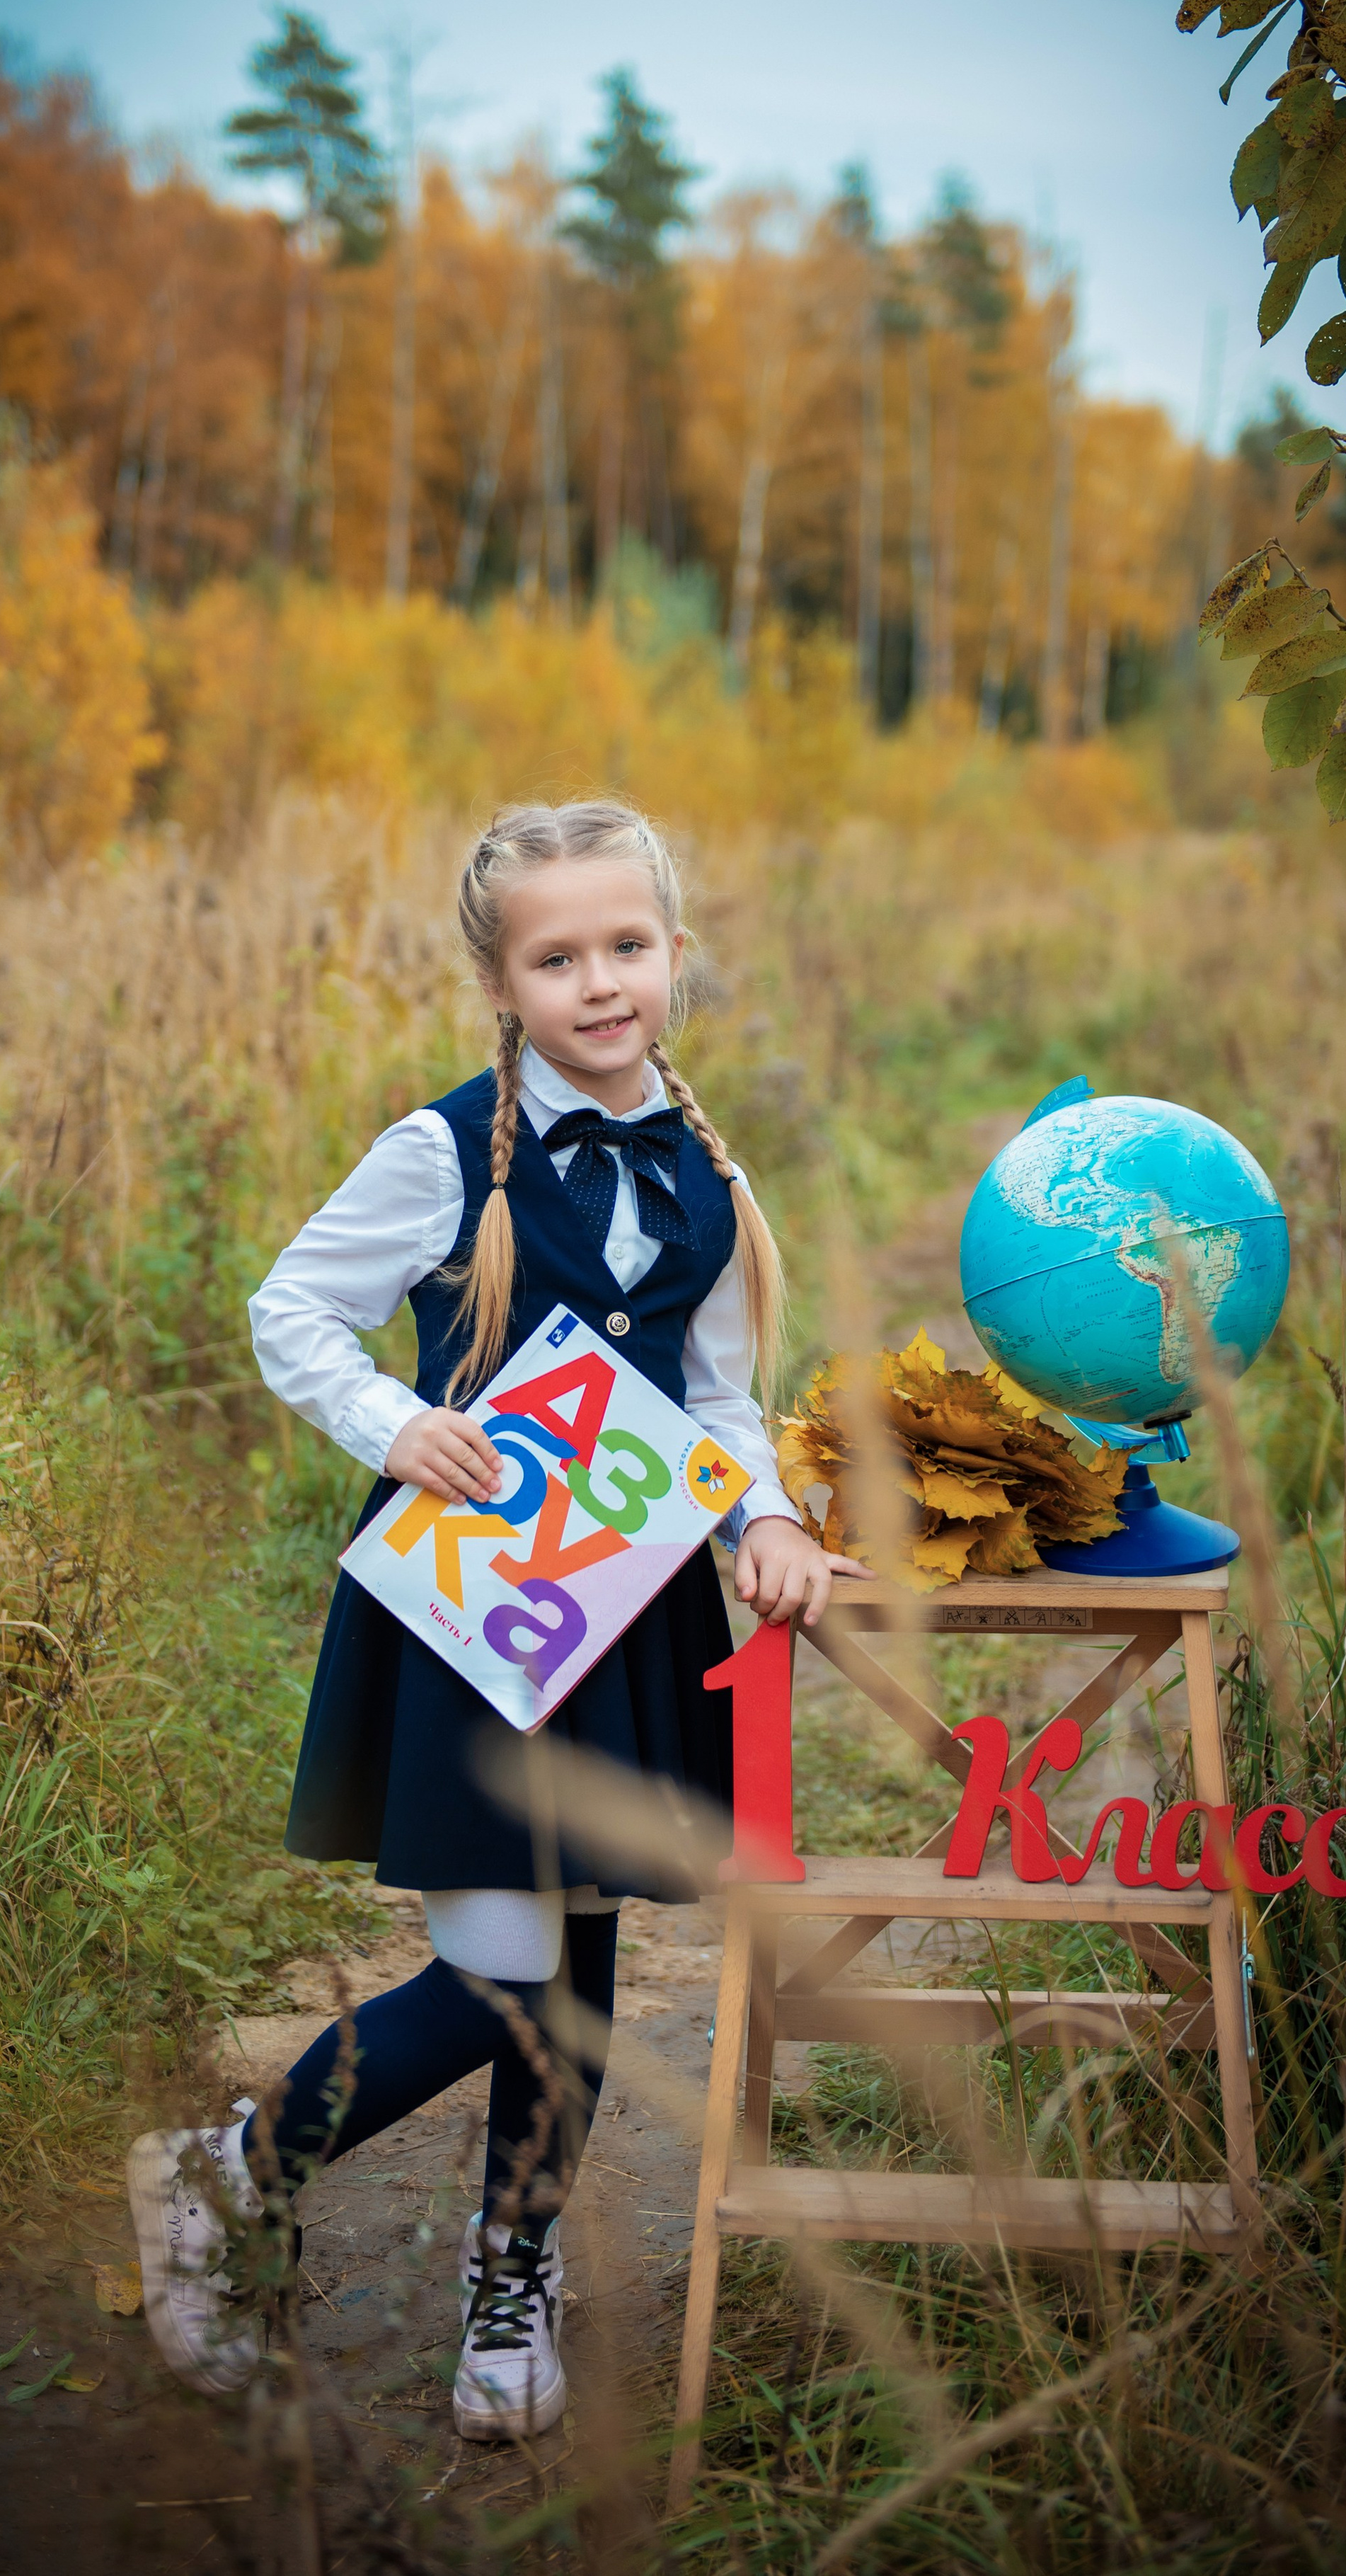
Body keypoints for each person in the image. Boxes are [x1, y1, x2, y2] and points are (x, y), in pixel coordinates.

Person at [127, 800, 856, 2434]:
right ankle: (224, 2172)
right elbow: (290, 1308)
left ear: (673, 949)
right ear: (502, 978)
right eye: (557, 957)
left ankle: (508, 2270)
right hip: (470, 1619)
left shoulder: (704, 1171)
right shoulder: (443, 1150)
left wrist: (765, 1514)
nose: (599, 982)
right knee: (500, 1967)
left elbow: (718, 1396)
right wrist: (391, 1422)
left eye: (626, 945)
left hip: (623, 1611)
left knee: (580, 1961)